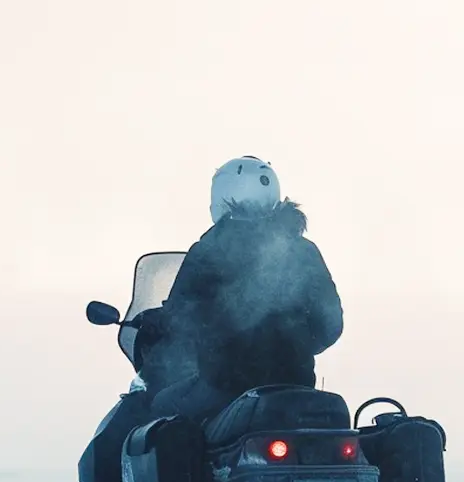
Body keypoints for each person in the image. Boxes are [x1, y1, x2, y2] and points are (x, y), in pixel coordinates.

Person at [147, 156, 344, 423]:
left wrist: (163, 324)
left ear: (223, 195)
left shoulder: (211, 249)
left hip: (224, 389)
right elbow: (331, 325)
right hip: (296, 389)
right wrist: (291, 348)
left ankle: (192, 467)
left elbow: (180, 318)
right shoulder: (305, 250)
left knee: (161, 406)